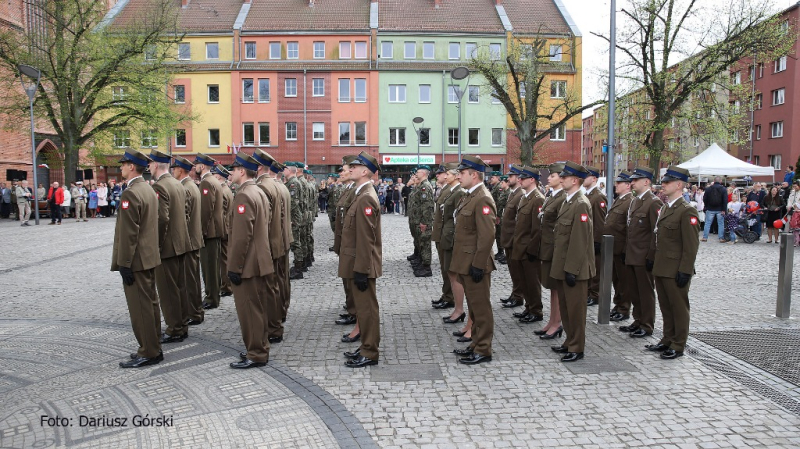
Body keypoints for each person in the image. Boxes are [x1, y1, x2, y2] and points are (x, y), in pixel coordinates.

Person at [112, 149, 162, 368]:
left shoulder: (131, 193)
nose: (121, 167)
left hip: (137, 260)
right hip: (148, 256)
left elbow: (129, 233)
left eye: (123, 164)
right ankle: (153, 346)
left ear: (132, 166)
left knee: (140, 308)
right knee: (150, 304)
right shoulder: (147, 189)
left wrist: (124, 263)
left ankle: (149, 351)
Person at [227, 152, 274, 369]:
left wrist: (234, 267)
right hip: (259, 260)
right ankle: (259, 347)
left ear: (242, 171)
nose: (231, 172)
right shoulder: (259, 191)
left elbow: (241, 236)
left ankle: (256, 353)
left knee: (250, 310)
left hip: (248, 263)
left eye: (234, 169)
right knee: (258, 308)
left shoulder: (244, 195)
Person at [649, 166, 700, 360]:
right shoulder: (666, 208)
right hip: (662, 266)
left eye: (667, 182)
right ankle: (667, 339)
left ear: (679, 185)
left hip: (676, 269)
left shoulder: (687, 211)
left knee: (678, 307)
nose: (663, 185)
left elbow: (691, 245)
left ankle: (678, 344)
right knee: (666, 306)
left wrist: (685, 270)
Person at [450, 155, 496, 365]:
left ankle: (484, 349)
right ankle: (476, 343)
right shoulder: (469, 195)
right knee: (474, 307)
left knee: (481, 308)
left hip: (475, 264)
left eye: (461, 173)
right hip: (466, 262)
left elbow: (486, 236)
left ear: (474, 175)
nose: (458, 176)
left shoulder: (483, 198)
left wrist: (478, 264)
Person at [549, 162, 595, 363]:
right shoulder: (568, 201)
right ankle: (569, 341)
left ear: (574, 180)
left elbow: (579, 240)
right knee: (567, 308)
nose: (561, 179)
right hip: (563, 265)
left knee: (576, 310)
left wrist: (572, 269)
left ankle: (577, 347)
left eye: (564, 177)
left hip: (574, 268)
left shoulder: (581, 203)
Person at [340, 152, 383, 368]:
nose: (351, 169)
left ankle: (370, 351)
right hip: (358, 261)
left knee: (367, 309)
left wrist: (362, 269)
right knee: (364, 309)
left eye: (355, 166)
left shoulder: (366, 196)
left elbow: (367, 238)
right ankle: (366, 346)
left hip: (362, 264)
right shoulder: (360, 193)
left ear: (365, 171)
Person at [148, 149, 190, 345]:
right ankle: (181, 324)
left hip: (167, 247)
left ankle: (174, 329)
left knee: (167, 291)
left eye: (149, 164)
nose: (148, 167)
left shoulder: (160, 186)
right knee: (180, 287)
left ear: (156, 165)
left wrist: (155, 244)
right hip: (180, 243)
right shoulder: (176, 183)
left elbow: (162, 218)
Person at [621, 166, 663, 339]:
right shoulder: (635, 201)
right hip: (632, 254)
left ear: (646, 182)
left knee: (645, 292)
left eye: (635, 180)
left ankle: (647, 324)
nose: (632, 183)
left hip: (643, 255)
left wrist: (651, 256)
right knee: (634, 291)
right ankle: (637, 320)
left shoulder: (653, 202)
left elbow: (656, 232)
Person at [252, 149, 288, 344]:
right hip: (278, 240)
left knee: (269, 288)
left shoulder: (264, 187)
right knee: (277, 284)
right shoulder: (277, 185)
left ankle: (273, 327)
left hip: (270, 243)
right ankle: (276, 320)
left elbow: (264, 221)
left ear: (258, 168)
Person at [510, 166, 546, 325]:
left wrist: (532, 250)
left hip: (529, 249)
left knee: (532, 282)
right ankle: (529, 307)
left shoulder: (538, 198)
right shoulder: (525, 197)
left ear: (532, 180)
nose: (520, 180)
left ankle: (536, 310)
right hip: (520, 246)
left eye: (523, 178)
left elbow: (537, 228)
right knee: (524, 281)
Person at [172, 155, 205, 326]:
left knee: (189, 280)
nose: (173, 172)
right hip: (194, 238)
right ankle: (196, 310)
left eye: (174, 169)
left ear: (180, 170)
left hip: (189, 241)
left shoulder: (185, 188)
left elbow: (183, 217)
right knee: (192, 279)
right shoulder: (191, 185)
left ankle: (194, 312)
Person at [537, 163, 566, 339]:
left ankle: (557, 323)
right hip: (547, 247)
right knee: (552, 288)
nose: (549, 178)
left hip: (555, 248)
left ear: (562, 178)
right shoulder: (551, 196)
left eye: (553, 176)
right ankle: (552, 320)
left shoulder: (562, 198)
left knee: (557, 288)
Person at [194, 153, 225, 310]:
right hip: (214, 230)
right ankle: (214, 295)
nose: (195, 167)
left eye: (196, 164)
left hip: (209, 231)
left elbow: (206, 210)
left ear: (202, 166)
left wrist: (202, 231)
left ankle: (211, 297)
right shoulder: (212, 180)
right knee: (213, 266)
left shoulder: (206, 183)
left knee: (209, 267)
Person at [604, 171, 634, 322]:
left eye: (619, 183)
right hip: (613, 248)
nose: (616, 185)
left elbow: (629, 228)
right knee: (616, 280)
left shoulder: (629, 202)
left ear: (628, 186)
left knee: (624, 281)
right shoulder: (619, 200)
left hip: (621, 248)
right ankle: (618, 305)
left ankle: (624, 308)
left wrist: (625, 250)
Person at [498, 165, 528, 313]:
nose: (508, 178)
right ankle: (515, 293)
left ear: (518, 178)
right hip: (508, 238)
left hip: (514, 239)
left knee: (517, 270)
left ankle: (518, 296)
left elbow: (519, 220)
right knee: (513, 270)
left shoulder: (520, 194)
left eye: (511, 176)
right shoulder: (513, 193)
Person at [432, 165, 456, 311]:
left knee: (448, 269)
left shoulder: (453, 191)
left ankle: (449, 296)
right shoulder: (446, 190)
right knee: (444, 268)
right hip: (441, 233)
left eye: (444, 174)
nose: (441, 176)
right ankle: (446, 294)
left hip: (446, 235)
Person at [583, 166, 607, 307]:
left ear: (594, 179)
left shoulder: (598, 197)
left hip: (594, 240)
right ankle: (588, 292)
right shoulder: (586, 195)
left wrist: (597, 241)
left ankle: (594, 294)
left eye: (587, 176)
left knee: (595, 269)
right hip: (587, 240)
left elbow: (599, 222)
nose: (584, 179)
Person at [214, 165, 234, 298]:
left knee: (224, 259)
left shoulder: (222, 191)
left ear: (219, 176)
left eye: (215, 175)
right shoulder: (226, 189)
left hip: (224, 229)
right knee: (225, 257)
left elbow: (221, 213)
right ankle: (227, 285)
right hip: (227, 227)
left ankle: (226, 285)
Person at [411, 166, 434, 278]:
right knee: (421, 242)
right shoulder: (421, 185)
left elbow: (427, 206)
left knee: (425, 243)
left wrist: (424, 222)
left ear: (424, 173)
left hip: (424, 221)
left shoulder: (425, 186)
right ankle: (421, 262)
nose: (416, 174)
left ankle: (426, 267)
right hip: (418, 220)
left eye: (418, 172)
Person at [284, 162, 306, 279]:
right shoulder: (291, 182)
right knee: (295, 241)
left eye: (285, 169)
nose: (283, 171)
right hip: (294, 216)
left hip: (294, 217)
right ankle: (298, 266)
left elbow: (293, 202)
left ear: (290, 170)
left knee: (295, 242)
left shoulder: (294, 183)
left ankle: (298, 269)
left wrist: (289, 218)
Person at [702, 177, 728, 242]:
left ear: (714, 181)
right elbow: (725, 200)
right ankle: (721, 238)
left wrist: (706, 206)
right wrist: (724, 209)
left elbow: (704, 198)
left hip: (710, 208)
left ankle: (705, 237)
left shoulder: (708, 189)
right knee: (720, 224)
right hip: (720, 208)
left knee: (707, 223)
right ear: (721, 181)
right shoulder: (723, 189)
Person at [787, 181, 800, 246]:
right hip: (792, 210)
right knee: (792, 225)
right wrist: (788, 206)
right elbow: (789, 200)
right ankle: (794, 240)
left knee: (798, 226)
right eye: (793, 186)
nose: (794, 188)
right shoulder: (792, 192)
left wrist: (796, 206)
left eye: (796, 186)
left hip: (798, 210)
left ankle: (797, 240)